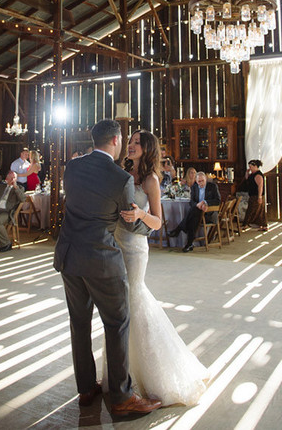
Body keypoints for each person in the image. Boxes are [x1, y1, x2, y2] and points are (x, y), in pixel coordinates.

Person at [54, 119, 162, 416]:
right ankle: (122, 398)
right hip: (101, 259)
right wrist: (145, 223)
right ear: (115, 141)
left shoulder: (73, 167)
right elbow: (129, 220)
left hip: (69, 255)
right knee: (117, 323)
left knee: (79, 323)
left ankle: (86, 388)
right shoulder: (120, 178)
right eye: (125, 140)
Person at [108, 130, 208, 406]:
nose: (130, 146)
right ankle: (122, 372)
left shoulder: (151, 180)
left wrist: (140, 213)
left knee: (134, 300)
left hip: (135, 248)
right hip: (115, 243)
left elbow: (157, 222)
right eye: (129, 142)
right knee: (119, 305)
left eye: (136, 143)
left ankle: (149, 375)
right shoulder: (124, 174)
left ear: (147, 148)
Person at [171, 171, 220, 252]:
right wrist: (197, 205)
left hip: (209, 214)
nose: (201, 183)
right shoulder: (194, 187)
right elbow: (191, 202)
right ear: (196, 181)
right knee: (194, 214)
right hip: (198, 213)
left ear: (206, 179)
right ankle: (189, 244)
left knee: (193, 214)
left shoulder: (212, 186)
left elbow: (218, 201)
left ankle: (179, 229)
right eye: (199, 181)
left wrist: (205, 202)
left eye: (202, 181)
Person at [243, 159, 268, 231]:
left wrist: (259, 197)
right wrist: (247, 172)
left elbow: (260, 186)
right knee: (255, 210)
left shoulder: (258, 175)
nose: (250, 168)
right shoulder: (252, 174)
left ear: (255, 166)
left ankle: (247, 224)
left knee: (254, 210)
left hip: (257, 195)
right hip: (253, 195)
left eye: (251, 167)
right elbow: (247, 179)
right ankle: (261, 225)